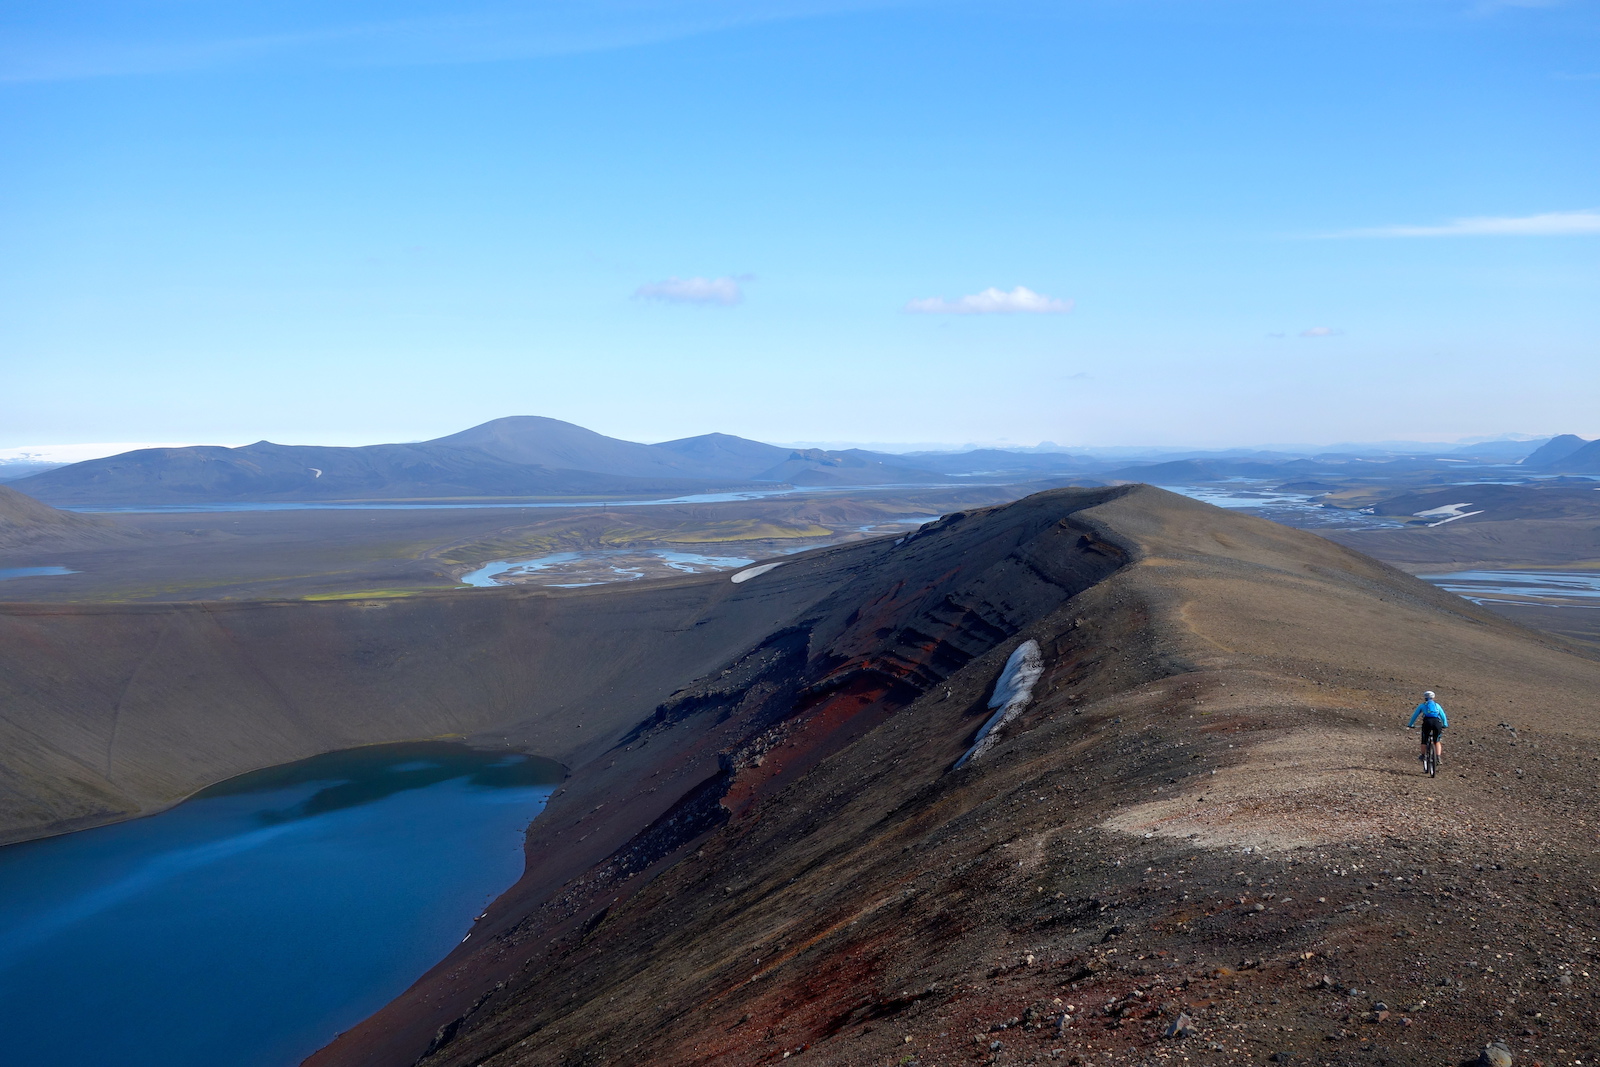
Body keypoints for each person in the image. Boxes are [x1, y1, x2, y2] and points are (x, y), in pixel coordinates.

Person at [1407, 690, 1448, 768]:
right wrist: (1445, 724)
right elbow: (1443, 715)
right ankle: (1438, 757)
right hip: (1437, 723)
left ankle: (1423, 756)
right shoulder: (1437, 705)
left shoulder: (1422, 705)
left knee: (1424, 740)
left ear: (1425, 698)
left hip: (1427, 723)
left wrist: (1410, 724)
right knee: (1437, 741)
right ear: (1433, 697)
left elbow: (1415, 715)